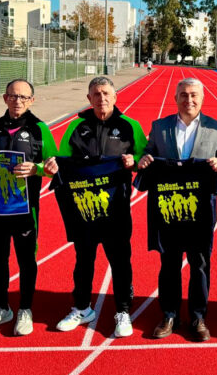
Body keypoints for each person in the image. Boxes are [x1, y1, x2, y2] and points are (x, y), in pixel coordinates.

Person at [44, 76, 146, 338]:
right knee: (83, 260)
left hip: (116, 209)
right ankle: (81, 307)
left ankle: (123, 310)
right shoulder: (76, 126)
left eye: (106, 93)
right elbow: (61, 159)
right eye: (96, 94)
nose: (102, 98)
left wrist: (133, 162)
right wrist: (54, 165)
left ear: (115, 96)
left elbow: (144, 158)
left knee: (120, 261)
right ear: (89, 98)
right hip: (84, 209)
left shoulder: (130, 126)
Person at [137, 77, 217, 342]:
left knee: (200, 263)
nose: (188, 100)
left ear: (202, 98)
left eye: (194, 95)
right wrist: (144, 160)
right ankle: (169, 315)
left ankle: (198, 316)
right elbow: (146, 154)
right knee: (169, 262)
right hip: (168, 209)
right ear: (175, 98)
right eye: (183, 95)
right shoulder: (160, 127)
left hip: (200, 209)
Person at [0, 79, 57, 336]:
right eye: (12, 96)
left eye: (23, 97)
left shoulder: (40, 129)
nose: (17, 101)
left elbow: (54, 165)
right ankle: (1, 307)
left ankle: (25, 309)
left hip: (25, 210)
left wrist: (37, 169)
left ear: (31, 100)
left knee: (26, 260)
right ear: (5, 98)